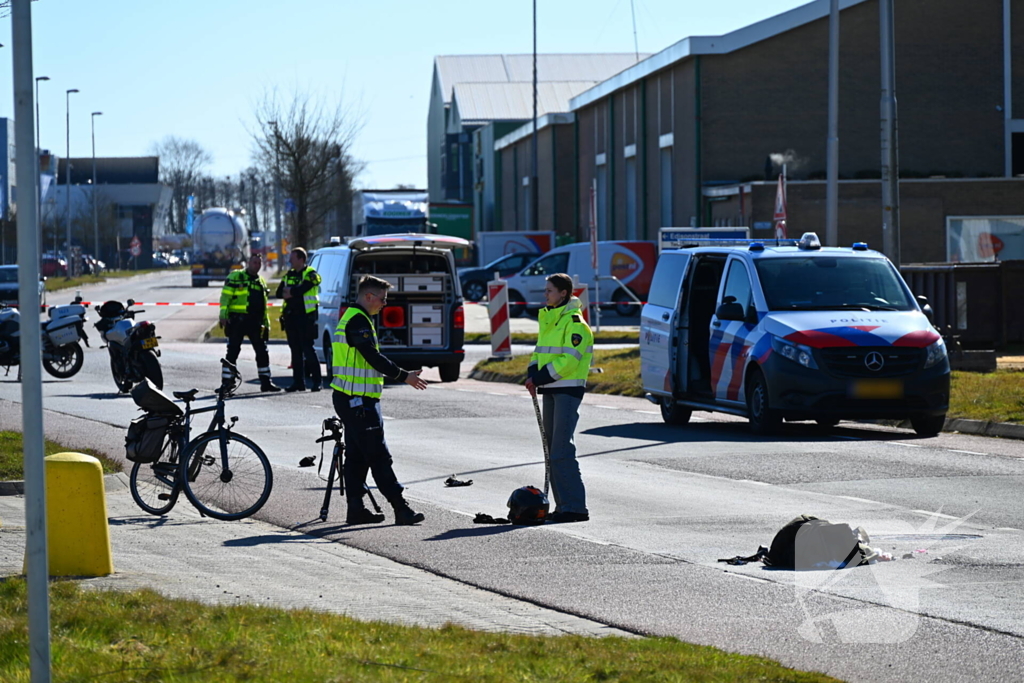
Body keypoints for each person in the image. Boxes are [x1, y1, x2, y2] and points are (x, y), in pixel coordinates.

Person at [331, 275, 428, 525]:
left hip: (351, 398)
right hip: (358, 401)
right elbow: (372, 357)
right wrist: (403, 376)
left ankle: (356, 509)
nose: (384, 304)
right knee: (378, 455)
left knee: (357, 456)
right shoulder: (357, 321)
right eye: (382, 299)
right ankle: (400, 508)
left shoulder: (354, 318)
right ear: (368, 296)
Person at [524, 273, 594, 523]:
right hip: (551, 388)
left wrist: (541, 377)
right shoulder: (550, 319)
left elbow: (570, 359)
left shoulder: (575, 323)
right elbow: (539, 352)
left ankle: (575, 507)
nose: (546, 294)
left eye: (550, 290)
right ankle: (564, 506)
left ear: (563, 293)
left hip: (566, 389)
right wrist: (533, 372)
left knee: (562, 450)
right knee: (552, 451)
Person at [218, 252, 282, 392]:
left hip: (255, 322)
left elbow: (264, 307)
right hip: (237, 321)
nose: (257, 265)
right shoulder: (236, 277)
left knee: (262, 352)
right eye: (254, 262)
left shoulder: (261, 282)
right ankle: (227, 384)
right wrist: (223, 315)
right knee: (232, 352)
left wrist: (266, 324)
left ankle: (266, 382)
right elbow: (225, 298)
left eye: (259, 263)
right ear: (248, 263)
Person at [276, 247, 323, 392]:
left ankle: (317, 382)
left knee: (308, 350)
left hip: (306, 318)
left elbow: (303, 289)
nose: (290, 260)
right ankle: (298, 382)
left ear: (301, 259)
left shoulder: (311, 274)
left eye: (292, 258)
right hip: (291, 317)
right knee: (295, 351)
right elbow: (278, 292)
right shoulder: (288, 274)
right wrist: (292, 292)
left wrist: (291, 291)